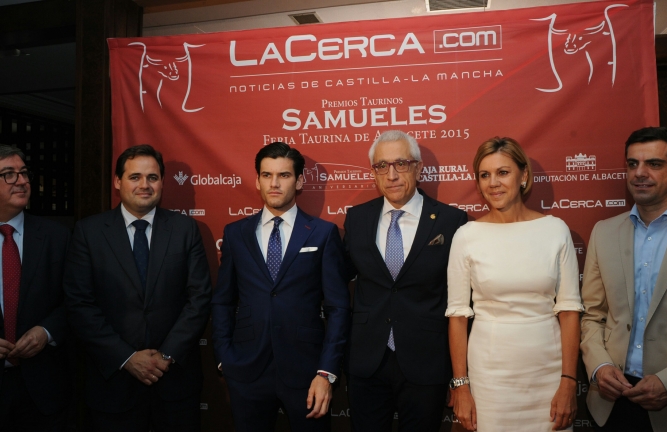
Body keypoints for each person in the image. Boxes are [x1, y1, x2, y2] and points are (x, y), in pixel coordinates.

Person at [63, 144, 212, 431]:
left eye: (152, 177)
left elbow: (200, 298)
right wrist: (127, 358)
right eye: (135, 177)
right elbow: (79, 304)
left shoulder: (185, 229)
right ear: (118, 182)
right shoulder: (89, 232)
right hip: (114, 383)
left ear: (162, 182)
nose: (144, 185)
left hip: (175, 383)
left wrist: (166, 356)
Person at [212, 142, 350, 432]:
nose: (274, 183)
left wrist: (326, 372)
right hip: (246, 370)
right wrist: (225, 358)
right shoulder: (236, 233)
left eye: (284, 175)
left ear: (299, 181)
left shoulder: (323, 233)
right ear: (258, 180)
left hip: (307, 372)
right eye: (267, 175)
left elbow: (337, 308)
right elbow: (223, 301)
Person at [446, 137, 582, 432]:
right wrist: (461, 385)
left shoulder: (555, 230)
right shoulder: (467, 236)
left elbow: (570, 311)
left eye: (503, 172)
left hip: (548, 372)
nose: (493, 183)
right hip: (489, 377)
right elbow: (457, 317)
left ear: (523, 176)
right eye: (485, 175)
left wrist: (569, 381)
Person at [344, 130, 468, 431]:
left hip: (426, 361)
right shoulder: (357, 218)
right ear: (374, 172)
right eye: (381, 166)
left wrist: (460, 376)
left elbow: (462, 299)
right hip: (367, 361)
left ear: (418, 168)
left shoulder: (452, 221)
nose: (392, 175)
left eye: (401, 163)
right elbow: (339, 280)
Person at [580, 126, 667, 432]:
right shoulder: (604, 232)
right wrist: (599, 366)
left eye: (654, 164)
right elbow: (592, 316)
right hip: (611, 403)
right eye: (632, 164)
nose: (639, 173)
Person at [0, 145, 72, 431]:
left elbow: (76, 301)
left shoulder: (57, 237)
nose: (21, 181)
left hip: (43, 389)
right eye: (9, 174)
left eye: (24, 173)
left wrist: (47, 331)